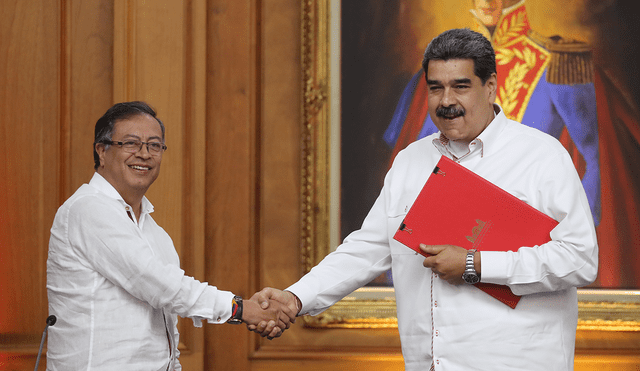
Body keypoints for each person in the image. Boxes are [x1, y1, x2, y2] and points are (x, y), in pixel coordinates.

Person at [254, 29, 598, 370]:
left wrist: (475, 264)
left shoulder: (541, 155)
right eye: (436, 88)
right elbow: (367, 249)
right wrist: (295, 298)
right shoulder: (410, 161)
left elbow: (580, 259)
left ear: (490, 85)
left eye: (460, 86)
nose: (446, 101)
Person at [46, 101, 294, 370]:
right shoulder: (87, 209)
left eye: (154, 145)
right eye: (131, 143)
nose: (144, 154)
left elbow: (167, 321)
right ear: (101, 151)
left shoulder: (156, 234)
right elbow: (157, 284)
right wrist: (241, 309)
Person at [384, 0, 601, 226]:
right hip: (447, 227)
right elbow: (419, 167)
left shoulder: (558, 64)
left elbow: (593, 162)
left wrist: (570, 240)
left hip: (527, 235)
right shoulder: (436, 72)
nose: (487, 2)